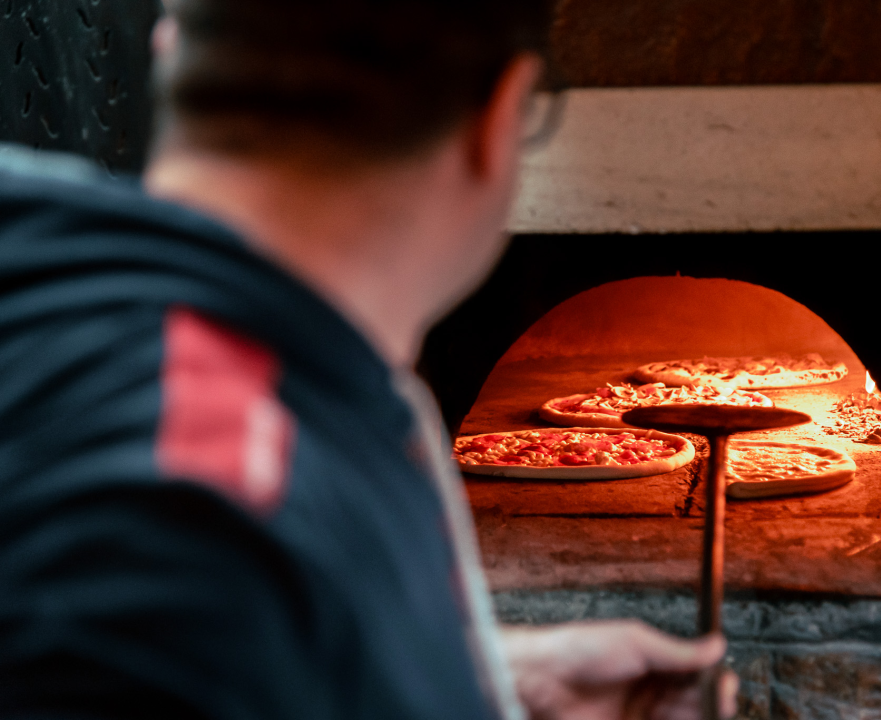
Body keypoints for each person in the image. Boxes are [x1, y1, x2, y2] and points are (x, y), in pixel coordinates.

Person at [0, 0, 739, 718]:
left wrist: (470, 674)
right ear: (500, 119)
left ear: (171, 51)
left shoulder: (38, 254)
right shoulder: (220, 511)